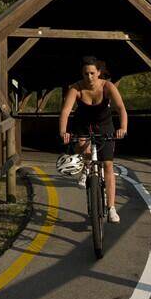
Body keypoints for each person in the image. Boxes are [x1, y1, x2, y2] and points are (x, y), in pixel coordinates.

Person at [59, 56, 128, 223]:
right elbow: (66, 111)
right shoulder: (76, 88)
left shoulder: (107, 86)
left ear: (98, 72)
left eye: (92, 73)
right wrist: (63, 132)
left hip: (104, 125)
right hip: (83, 125)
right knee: (82, 148)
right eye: (85, 74)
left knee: (108, 165)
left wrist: (123, 128)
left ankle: (111, 208)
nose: (89, 77)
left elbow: (121, 108)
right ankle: (86, 167)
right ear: (82, 74)